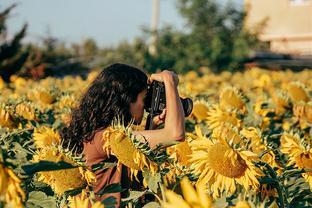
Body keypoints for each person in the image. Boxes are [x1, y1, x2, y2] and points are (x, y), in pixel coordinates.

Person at [60, 63, 185, 207]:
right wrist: (170, 81)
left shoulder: (94, 131)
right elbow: (176, 134)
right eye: (144, 99)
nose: (145, 107)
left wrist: (153, 123)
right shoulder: (107, 137)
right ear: (126, 100)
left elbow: (133, 154)